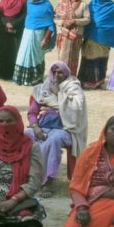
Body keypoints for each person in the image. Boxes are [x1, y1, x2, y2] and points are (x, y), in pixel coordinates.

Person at [26, 61, 87, 195]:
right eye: (55, 72)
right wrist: (35, 127)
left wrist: (59, 93)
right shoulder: (42, 89)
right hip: (42, 126)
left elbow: (76, 110)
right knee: (24, 134)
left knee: (52, 141)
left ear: (66, 74)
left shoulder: (74, 88)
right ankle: (27, 176)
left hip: (65, 129)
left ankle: (48, 181)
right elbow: (32, 113)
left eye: (60, 72)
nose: (57, 75)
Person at [80, 0, 114, 89]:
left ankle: (99, 81)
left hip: (104, 41)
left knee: (101, 60)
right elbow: (86, 18)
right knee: (88, 59)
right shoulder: (92, 4)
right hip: (91, 39)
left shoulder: (113, 7)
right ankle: (86, 81)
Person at [12, 0, 56, 86]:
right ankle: (22, 78)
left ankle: (36, 78)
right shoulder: (28, 4)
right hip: (27, 33)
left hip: (39, 34)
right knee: (23, 55)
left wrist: (45, 39)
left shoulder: (47, 6)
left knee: (37, 56)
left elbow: (50, 24)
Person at [53, 0, 90, 75]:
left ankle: (71, 78)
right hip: (63, 35)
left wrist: (75, 21)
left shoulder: (83, 5)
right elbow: (55, 17)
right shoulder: (61, 3)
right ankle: (60, 77)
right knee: (62, 57)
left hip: (76, 36)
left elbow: (87, 19)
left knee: (74, 57)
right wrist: (63, 23)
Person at [0, 0, 28, 80]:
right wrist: (6, 24)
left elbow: (24, 15)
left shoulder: (23, 0)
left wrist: (13, 24)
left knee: (16, 51)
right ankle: (3, 74)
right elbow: (0, 14)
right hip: (3, 30)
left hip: (17, 31)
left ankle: (14, 74)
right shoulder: (3, 0)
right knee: (3, 51)